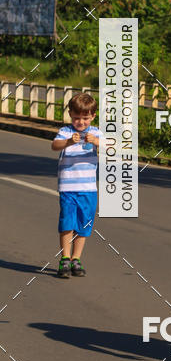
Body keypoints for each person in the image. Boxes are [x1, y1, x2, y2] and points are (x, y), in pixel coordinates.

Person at [51, 92, 102, 278]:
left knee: (84, 224)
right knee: (67, 222)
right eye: (77, 117)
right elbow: (54, 145)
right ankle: (65, 258)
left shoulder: (96, 132)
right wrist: (67, 142)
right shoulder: (66, 131)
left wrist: (96, 142)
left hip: (88, 189)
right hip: (68, 187)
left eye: (85, 118)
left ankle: (76, 259)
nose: (81, 122)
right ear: (70, 114)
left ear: (93, 117)